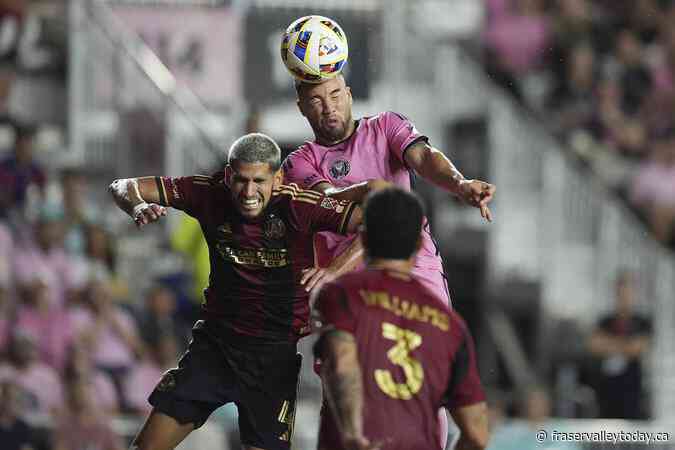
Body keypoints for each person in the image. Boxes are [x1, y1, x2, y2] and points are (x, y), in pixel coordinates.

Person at [108, 133, 372, 450]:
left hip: (272, 359)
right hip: (215, 348)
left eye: (258, 181)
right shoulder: (206, 192)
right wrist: (136, 205)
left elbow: (373, 224)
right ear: (229, 175)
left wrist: (335, 270)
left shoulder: (300, 205)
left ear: (277, 179)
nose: (248, 192)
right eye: (241, 180)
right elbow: (123, 185)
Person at [283, 71, 495, 447]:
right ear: (301, 106)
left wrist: (459, 184)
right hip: (350, 282)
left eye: (335, 95)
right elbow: (333, 199)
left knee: (425, 371)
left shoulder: (386, 127)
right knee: (346, 376)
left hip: (410, 269)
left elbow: (426, 158)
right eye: (316, 100)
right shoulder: (299, 164)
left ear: (349, 93)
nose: (329, 107)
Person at [313, 187, 489, 450]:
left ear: (364, 238)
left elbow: (341, 362)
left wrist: (352, 435)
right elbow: (476, 434)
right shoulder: (451, 325)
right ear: (419, 244)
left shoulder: (340, 294)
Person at [588, 271, 652, 419]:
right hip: (607, 391)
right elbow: (594, 345)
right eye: (621, 293)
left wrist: (609, 345)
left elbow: (638, 347)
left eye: (628, 293)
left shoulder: (642, 321)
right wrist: (626, 346)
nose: (624, 298)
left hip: (632, 390)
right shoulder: (605, 320)